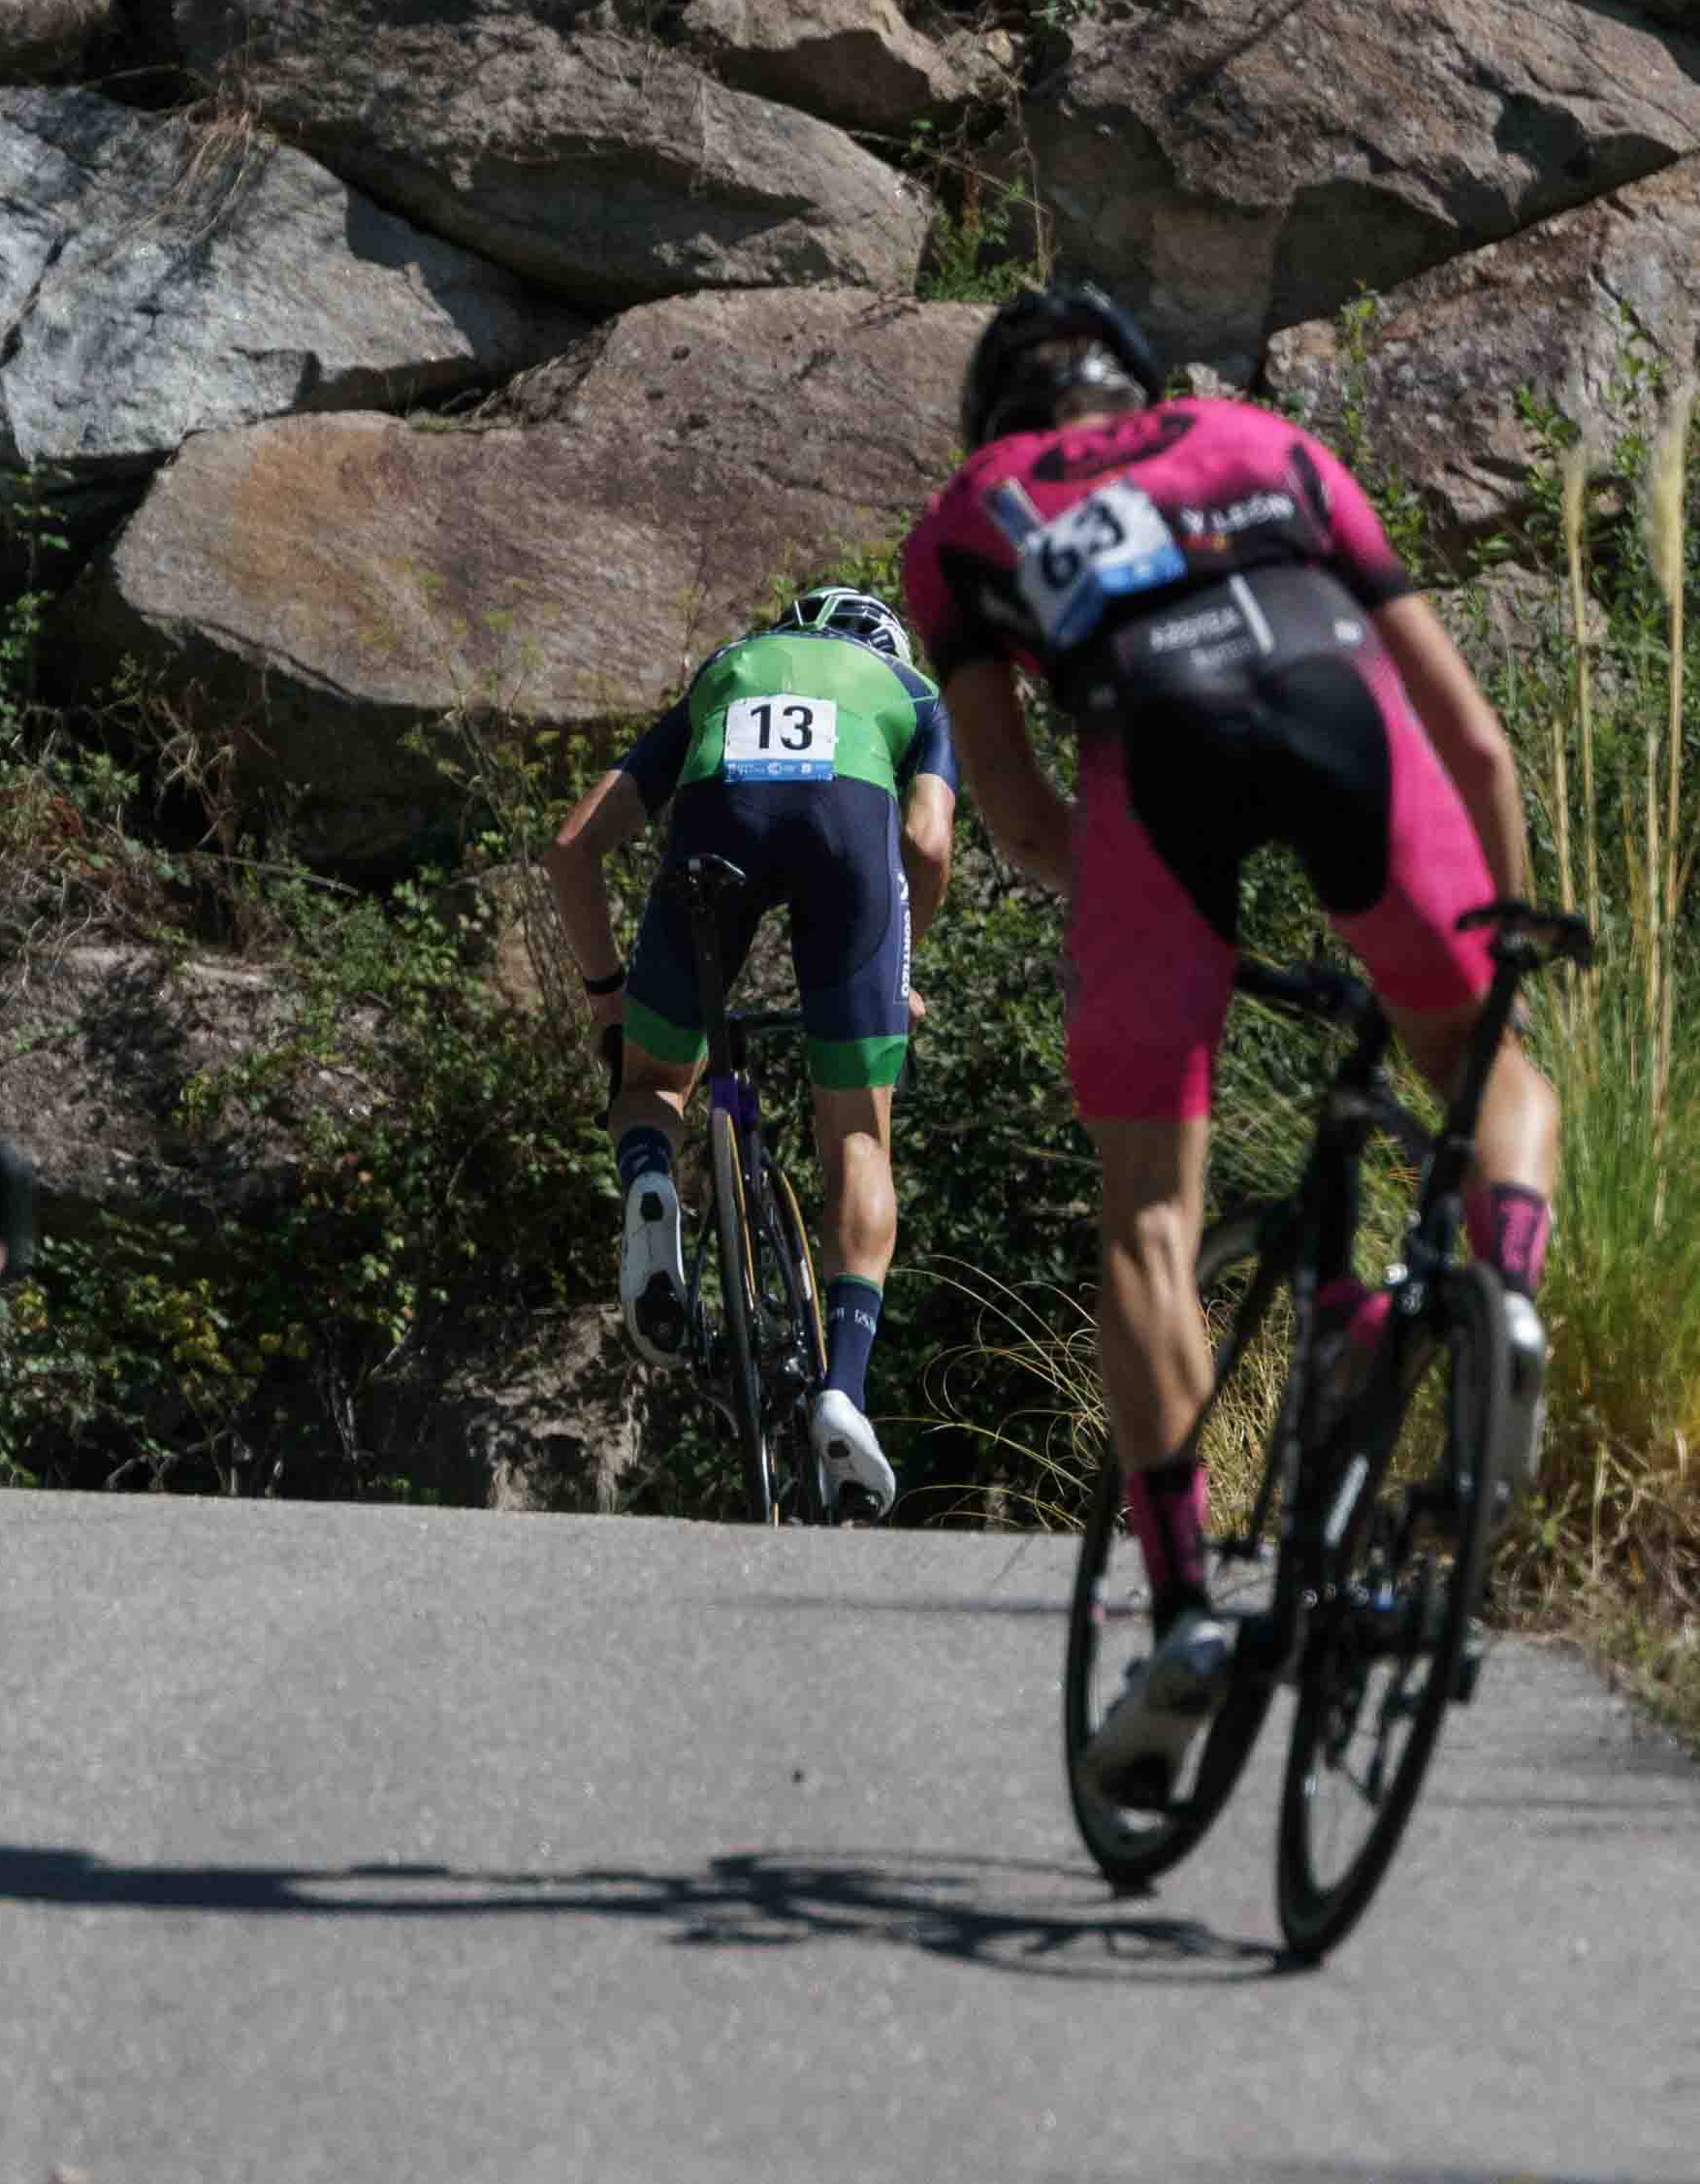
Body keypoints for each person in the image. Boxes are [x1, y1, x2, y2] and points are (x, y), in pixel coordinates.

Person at [897, 284, 1565, 1806]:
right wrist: (1503, 935)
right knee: (1487, 1069)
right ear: (1136, 381)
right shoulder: (1267, 436)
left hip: (1155, 753)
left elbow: (1012, 817)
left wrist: (1154, 921)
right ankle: (1501, 1297)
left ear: (1002, 417)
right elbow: (1474, 741)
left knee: (1147, 1216)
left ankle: (1190, 1606)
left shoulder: (964, 516)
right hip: (1341, 708)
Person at [544, 587, 957, 1518]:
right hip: (850, 843)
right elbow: (925, 842)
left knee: (653, 1084)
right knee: (856, 1136)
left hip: (714, 831)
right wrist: (903, 962)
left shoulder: (724, 670)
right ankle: (843, 1388)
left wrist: (607, 996)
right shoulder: (913, 690)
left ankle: (652, 1179)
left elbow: (572, 845)